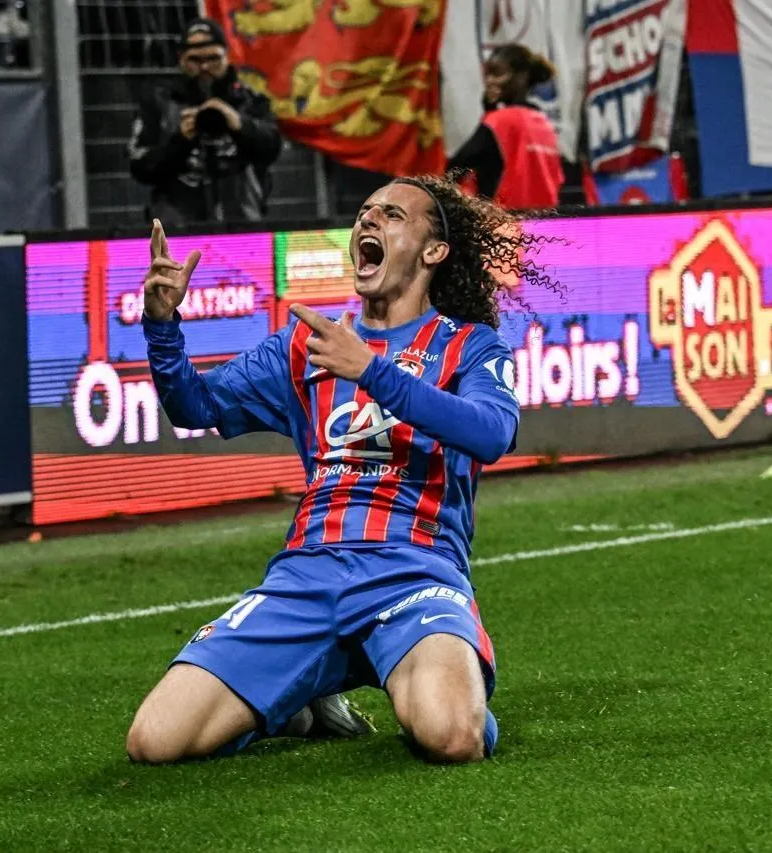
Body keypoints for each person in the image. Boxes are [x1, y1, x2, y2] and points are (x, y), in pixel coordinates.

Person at [126, 175, 545, 764]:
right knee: (153, 742)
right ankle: (300, 701)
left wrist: (371, 371)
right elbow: (195, 406)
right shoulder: (306, 344)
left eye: (393, 215)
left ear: (434, 251)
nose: (369, 220)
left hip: (414, 572)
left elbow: (492, 433)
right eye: (365, 211)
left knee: (452, 738)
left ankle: (445, 684)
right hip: (307, 574)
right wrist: (163, 326)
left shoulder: (470, 345)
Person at [127, 18, 283, 226]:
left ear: (227, 56)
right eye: (195, 60)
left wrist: (239, 123)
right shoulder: (159, 103)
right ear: (181, 59)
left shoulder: (250, 101)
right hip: (178, 228)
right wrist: (180, 141)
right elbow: (139, 167)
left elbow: (272, 149)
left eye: (213, 59)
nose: (205, 67)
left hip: (241, 225)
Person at [447, 44, 563, 211]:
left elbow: (455, 169)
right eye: (488, 74)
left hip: (506, 219)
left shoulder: (500, 121)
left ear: (522, 76)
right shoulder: (545, 124)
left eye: (497, 74)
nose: (490, 81)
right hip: (547, 221)